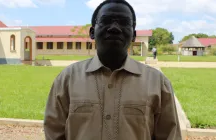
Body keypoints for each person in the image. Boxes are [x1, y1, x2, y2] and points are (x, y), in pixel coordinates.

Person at [44, 0, 182, 140]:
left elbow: (170, 135)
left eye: (124, 22)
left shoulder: (157, 83)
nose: (115, 28)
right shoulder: (67, 80)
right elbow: (53, 132)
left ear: (134, 35)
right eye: (106, 21)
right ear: (92, 32)